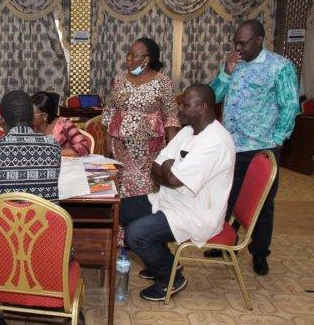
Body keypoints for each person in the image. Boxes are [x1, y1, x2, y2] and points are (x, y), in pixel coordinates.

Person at [0, 90, 78, 325]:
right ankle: (76, 316)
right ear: (31, 117)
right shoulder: (52, 147)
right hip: (49, 251)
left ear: (2, 121)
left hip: (3, 253)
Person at [121, 84, 235, 301]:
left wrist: (169, 170)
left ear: (202, 107)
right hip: (170, 199)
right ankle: (166, 263)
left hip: (196, 213)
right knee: (124, 209)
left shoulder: (215, 141)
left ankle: (170, 279)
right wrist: (169, 169)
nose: (180, 109)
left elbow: (172, 179)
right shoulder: (187, 131)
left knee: (135, 235)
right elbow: (155, 166)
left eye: (185, 104)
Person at [205, 19, 300, 275]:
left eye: (243, 43)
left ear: (259, 40)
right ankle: (226, 242)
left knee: (261, 203)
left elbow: (290, 106)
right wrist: (226, 73)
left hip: (261, 148)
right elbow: (213, 97)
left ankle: (259, 253)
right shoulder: (234, 63)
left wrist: (277, 140)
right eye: (235, 42)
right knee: (228, 197)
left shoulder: (280, 67)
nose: (237, 48)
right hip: (231, 146)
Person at [102, 37, 180, 197]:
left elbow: (171, 116)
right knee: (121, 185)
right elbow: (109, 111)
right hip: (120, 146)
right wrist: (107, 142)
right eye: (128, 54)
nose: (128, 58)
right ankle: (122, 212)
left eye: (134, 55)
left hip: (149, 148)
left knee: (146, 186)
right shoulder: (119, 79)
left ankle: (144, 211)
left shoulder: (163, 82)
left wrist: (173, 149)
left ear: (147, 59)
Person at [31, 91, 91, 156]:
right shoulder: (29, 126)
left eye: (32, 114)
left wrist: (53, 152)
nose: (28, 116)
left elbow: (84, 147)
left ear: (44, 116)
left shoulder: (63, 124)